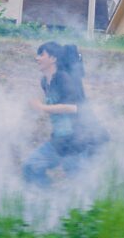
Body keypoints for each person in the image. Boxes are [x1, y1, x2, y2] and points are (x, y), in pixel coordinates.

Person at [22, 42, 108, 187]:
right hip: (60, 140)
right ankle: (46, 198)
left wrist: (42, 107)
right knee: (31, 167)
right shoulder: (45, 82)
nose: (37, 58)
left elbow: (73, 107)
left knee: (77, 184)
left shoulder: (62, 78)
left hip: (78, 141)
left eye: (41, 54)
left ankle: (79, 200)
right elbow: (56, 106)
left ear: (53, 58)